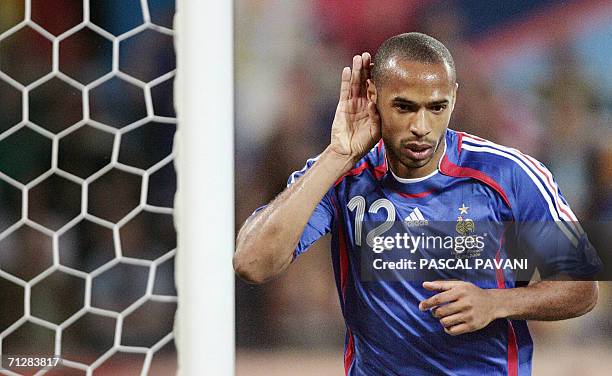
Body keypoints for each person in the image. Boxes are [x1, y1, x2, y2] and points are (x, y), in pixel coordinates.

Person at [233, 32, 600, 375]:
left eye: (436, 107)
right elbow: (252, 263)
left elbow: (582, 288)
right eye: (404, 107)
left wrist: (496, 303)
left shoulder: (506, 176)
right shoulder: (345, 175)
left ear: (454, 97)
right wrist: (337, 154)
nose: (421, 126)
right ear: (373, 97)